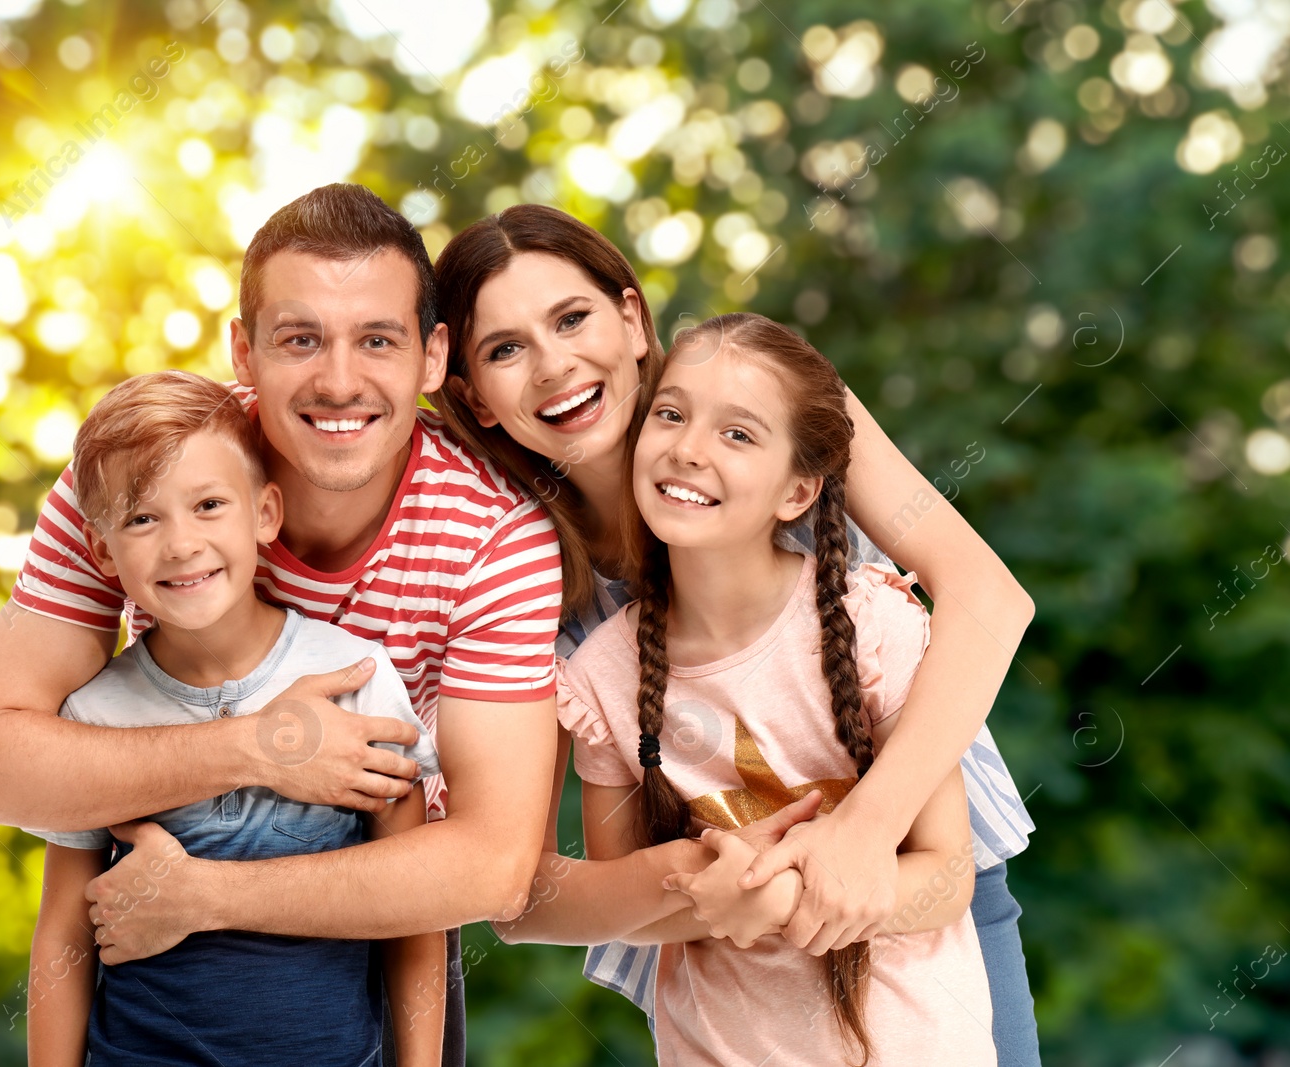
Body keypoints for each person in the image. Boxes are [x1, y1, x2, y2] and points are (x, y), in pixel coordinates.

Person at [0, 184, 568, 1066]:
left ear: (431, 357)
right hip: (149, 965)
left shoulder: (498, 538)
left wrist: (203, 896)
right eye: (300, 338)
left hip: (374, 910)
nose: (339, 380)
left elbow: (488, 866)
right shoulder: (138, 484)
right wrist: (263, 746)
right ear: (244, 349)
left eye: (376, 340)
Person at [429, 205, 1039, 1063]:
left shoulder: (765, 392)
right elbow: (526, 890)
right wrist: (712, 889)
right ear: (473, 398)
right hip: (724, 965)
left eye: (572, 318)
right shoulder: (524, 576)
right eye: (505, 349)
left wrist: (863, 830)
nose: (554, 364)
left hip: (916, 877)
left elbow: (986, 598)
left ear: (633, 319)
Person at [506, 313, 996, 1066]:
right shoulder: (601, 677)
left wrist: (780, 902)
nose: (689, 448)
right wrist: (703, 893)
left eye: (739, 434)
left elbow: (947, 876)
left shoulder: (872, 625)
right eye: (669, 415)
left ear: (799, 490)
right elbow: (621, 909)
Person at [24, 371, 444, 1066]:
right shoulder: (95, 715)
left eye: (209, 504)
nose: (181, 543)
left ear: (264, 514)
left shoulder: (355, 678)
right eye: (140, 517)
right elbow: (62, 933)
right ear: (102, 552)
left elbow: (413, 912)